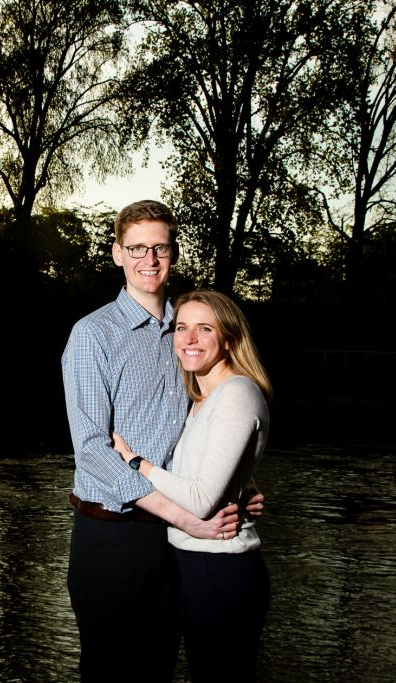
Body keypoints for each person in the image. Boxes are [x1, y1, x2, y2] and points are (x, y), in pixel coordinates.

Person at [61, 200, 263, 682]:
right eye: (136, 248)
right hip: (113, 536)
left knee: (160, 669)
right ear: (116, 253)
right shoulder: (93, 335)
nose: (148, 260)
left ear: (172, 253)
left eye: (159, 248)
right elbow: (91, 449)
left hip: (173, 540)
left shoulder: (188, 332)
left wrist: (240, 486)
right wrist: (186, 517)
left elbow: (212, 424)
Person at [112, 289, 272, 681]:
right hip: (197, 563)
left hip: (222, 566)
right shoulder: (203, 396)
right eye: (182, 327)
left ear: (229, 339)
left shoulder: (236, 393)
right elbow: (209, 469)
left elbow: (201, 500)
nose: (190, 339)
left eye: (205, 329)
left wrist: (137, 463)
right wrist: (243, 486)